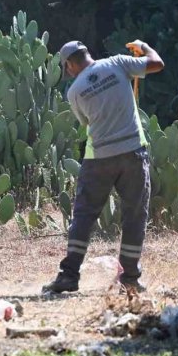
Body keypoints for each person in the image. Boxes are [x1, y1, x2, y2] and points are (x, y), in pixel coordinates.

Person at [42, 39, 165, 294]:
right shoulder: (118, 63)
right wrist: (143, 47)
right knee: (134, 216)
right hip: (132, 152)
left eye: (66, 68)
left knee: (84, 217)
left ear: (70, 64)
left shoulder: (74, 91)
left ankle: (69, 276)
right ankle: (130, 278)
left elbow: (86, 124)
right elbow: (157, 64)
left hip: (98, 158)